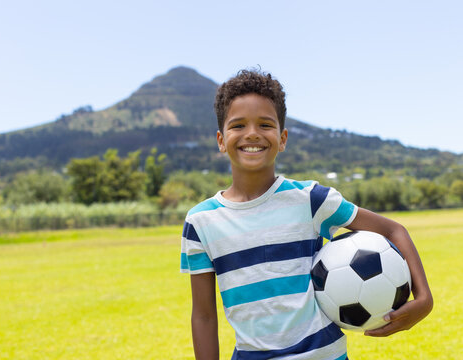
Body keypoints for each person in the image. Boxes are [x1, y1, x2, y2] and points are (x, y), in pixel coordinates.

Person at [180, 69, 433, 360]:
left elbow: (393, 231)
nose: (252, 133)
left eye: (265, 124)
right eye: (238, 125)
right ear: (221, 140)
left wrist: (424, 300)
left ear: (283, 137)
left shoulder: (310, 200)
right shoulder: (200, 222)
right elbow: (203, 317)